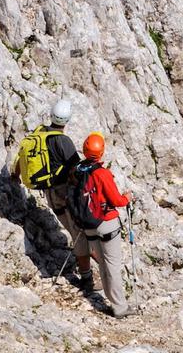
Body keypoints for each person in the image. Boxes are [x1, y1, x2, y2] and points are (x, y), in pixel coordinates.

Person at [11, 99, 94, 291]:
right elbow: (76, 168)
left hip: (50, 193)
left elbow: (22, 156)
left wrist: (16, 175)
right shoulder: (64, 141)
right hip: (64, 193)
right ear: (67, 120)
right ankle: (87, 279)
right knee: (79, 235)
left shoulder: (39, 134)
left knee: (73, 229)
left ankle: (90, 263)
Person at [71, 132, 133, 318]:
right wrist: (127, 197)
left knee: (103, 264)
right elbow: (116, 200)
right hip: (106, 224)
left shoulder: (78, 171)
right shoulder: (102, 173)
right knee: (112, 264)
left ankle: (111, 300)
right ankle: (120, 307)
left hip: (88, 225)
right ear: (102, 152)